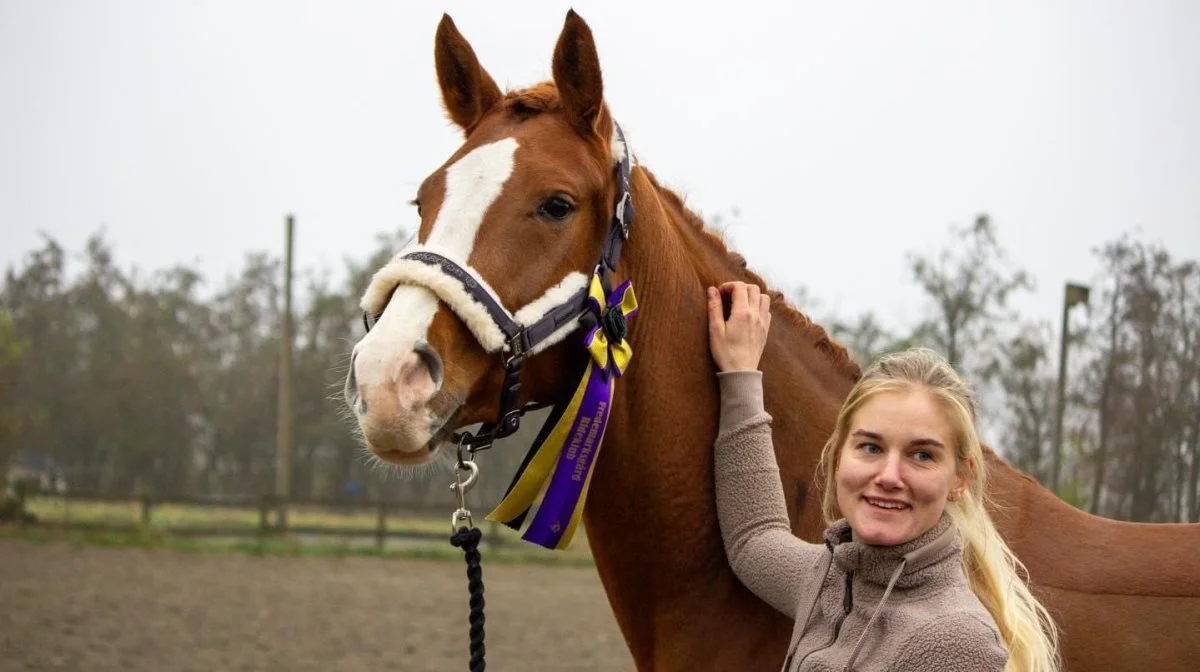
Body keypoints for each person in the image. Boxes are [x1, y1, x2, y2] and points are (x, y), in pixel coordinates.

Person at [705, 281, 1060, 672]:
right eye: (871, 448)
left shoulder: (954, 641)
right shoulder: (830, 580)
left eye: (921, 455)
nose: (889, 476)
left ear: (960, 478)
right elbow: (754, 540)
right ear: (839, 456)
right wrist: (740, 374)